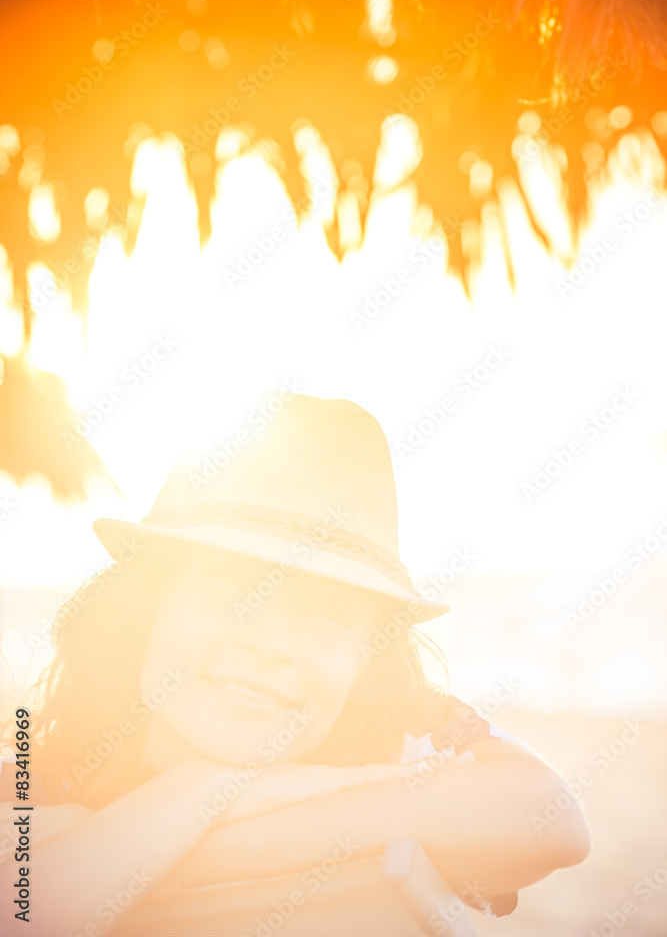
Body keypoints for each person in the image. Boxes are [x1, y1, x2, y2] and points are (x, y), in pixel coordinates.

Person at [0, 394, 590, 936]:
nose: (273, 644)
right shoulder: (28, 779)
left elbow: (551, 818)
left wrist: (176, 826)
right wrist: (195, 793)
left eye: (327, 615)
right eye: (235, 594)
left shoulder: (388, 733)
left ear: (366, 661)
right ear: (144, 609)